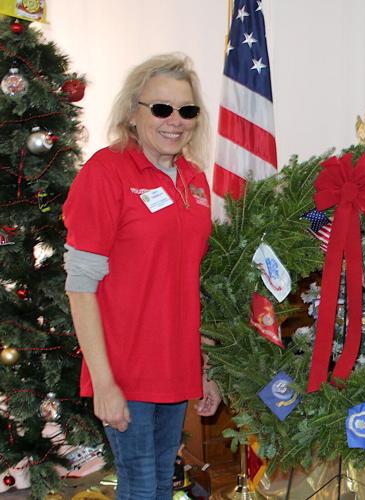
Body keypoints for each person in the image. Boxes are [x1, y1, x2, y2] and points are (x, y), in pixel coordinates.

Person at [63, 53, 220, 499]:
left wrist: (205, 367)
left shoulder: (193, 180)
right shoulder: (106, 173)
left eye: (187, 110)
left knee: (161, 488)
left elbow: (194, 281)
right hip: (125, 372)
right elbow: (80, 286)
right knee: (141, 488)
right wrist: (104, 381)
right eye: (162, 108)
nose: (176, 121)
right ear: (134, 112)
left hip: (175, 367)